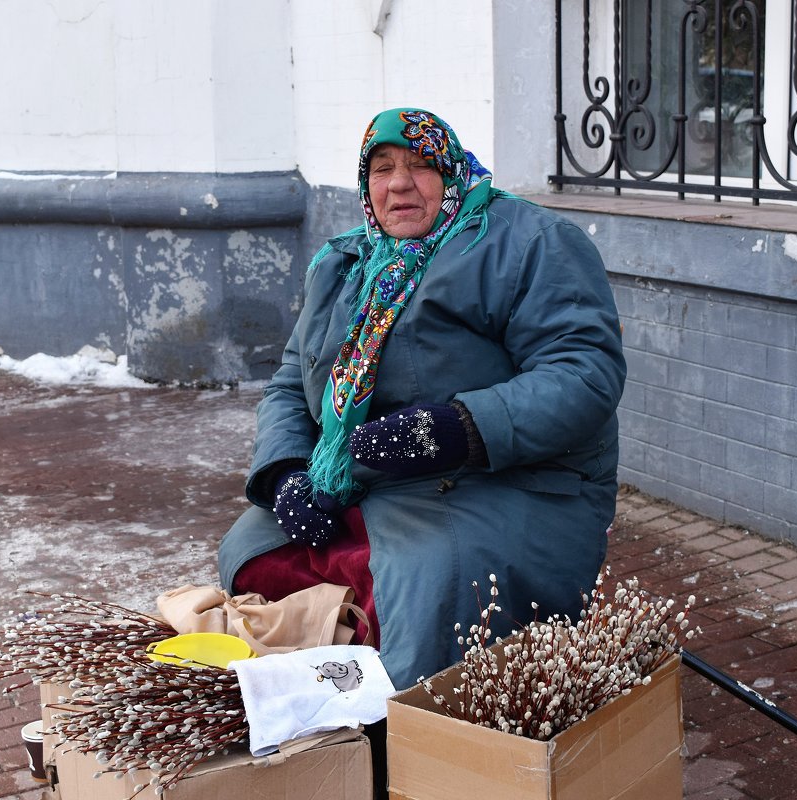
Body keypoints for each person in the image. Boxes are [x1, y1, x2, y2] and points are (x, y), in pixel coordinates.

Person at [217, 107, 625, 691]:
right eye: (381, 169)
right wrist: (284, 472)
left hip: (497, 482)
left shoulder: (528, 242)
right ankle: (318, 723)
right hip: (369, 478)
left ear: (452, 172)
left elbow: (584, 374)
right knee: (251, 552)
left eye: (420, 166)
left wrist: (457, 427)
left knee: (424, 588)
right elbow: (290, 380)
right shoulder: (344, 262)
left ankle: (404, 743)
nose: (399, 183)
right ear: (366, 187)